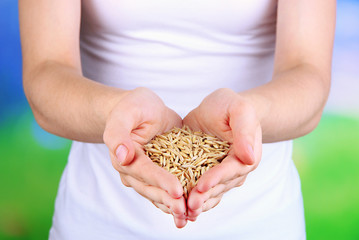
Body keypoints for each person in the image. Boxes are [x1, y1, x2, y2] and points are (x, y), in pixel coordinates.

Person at [19, 0, 336, 239]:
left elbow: (307, 73)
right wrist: (114, 111)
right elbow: (46, 71)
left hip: (260, 220)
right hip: (97, 219)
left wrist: (248, 116)